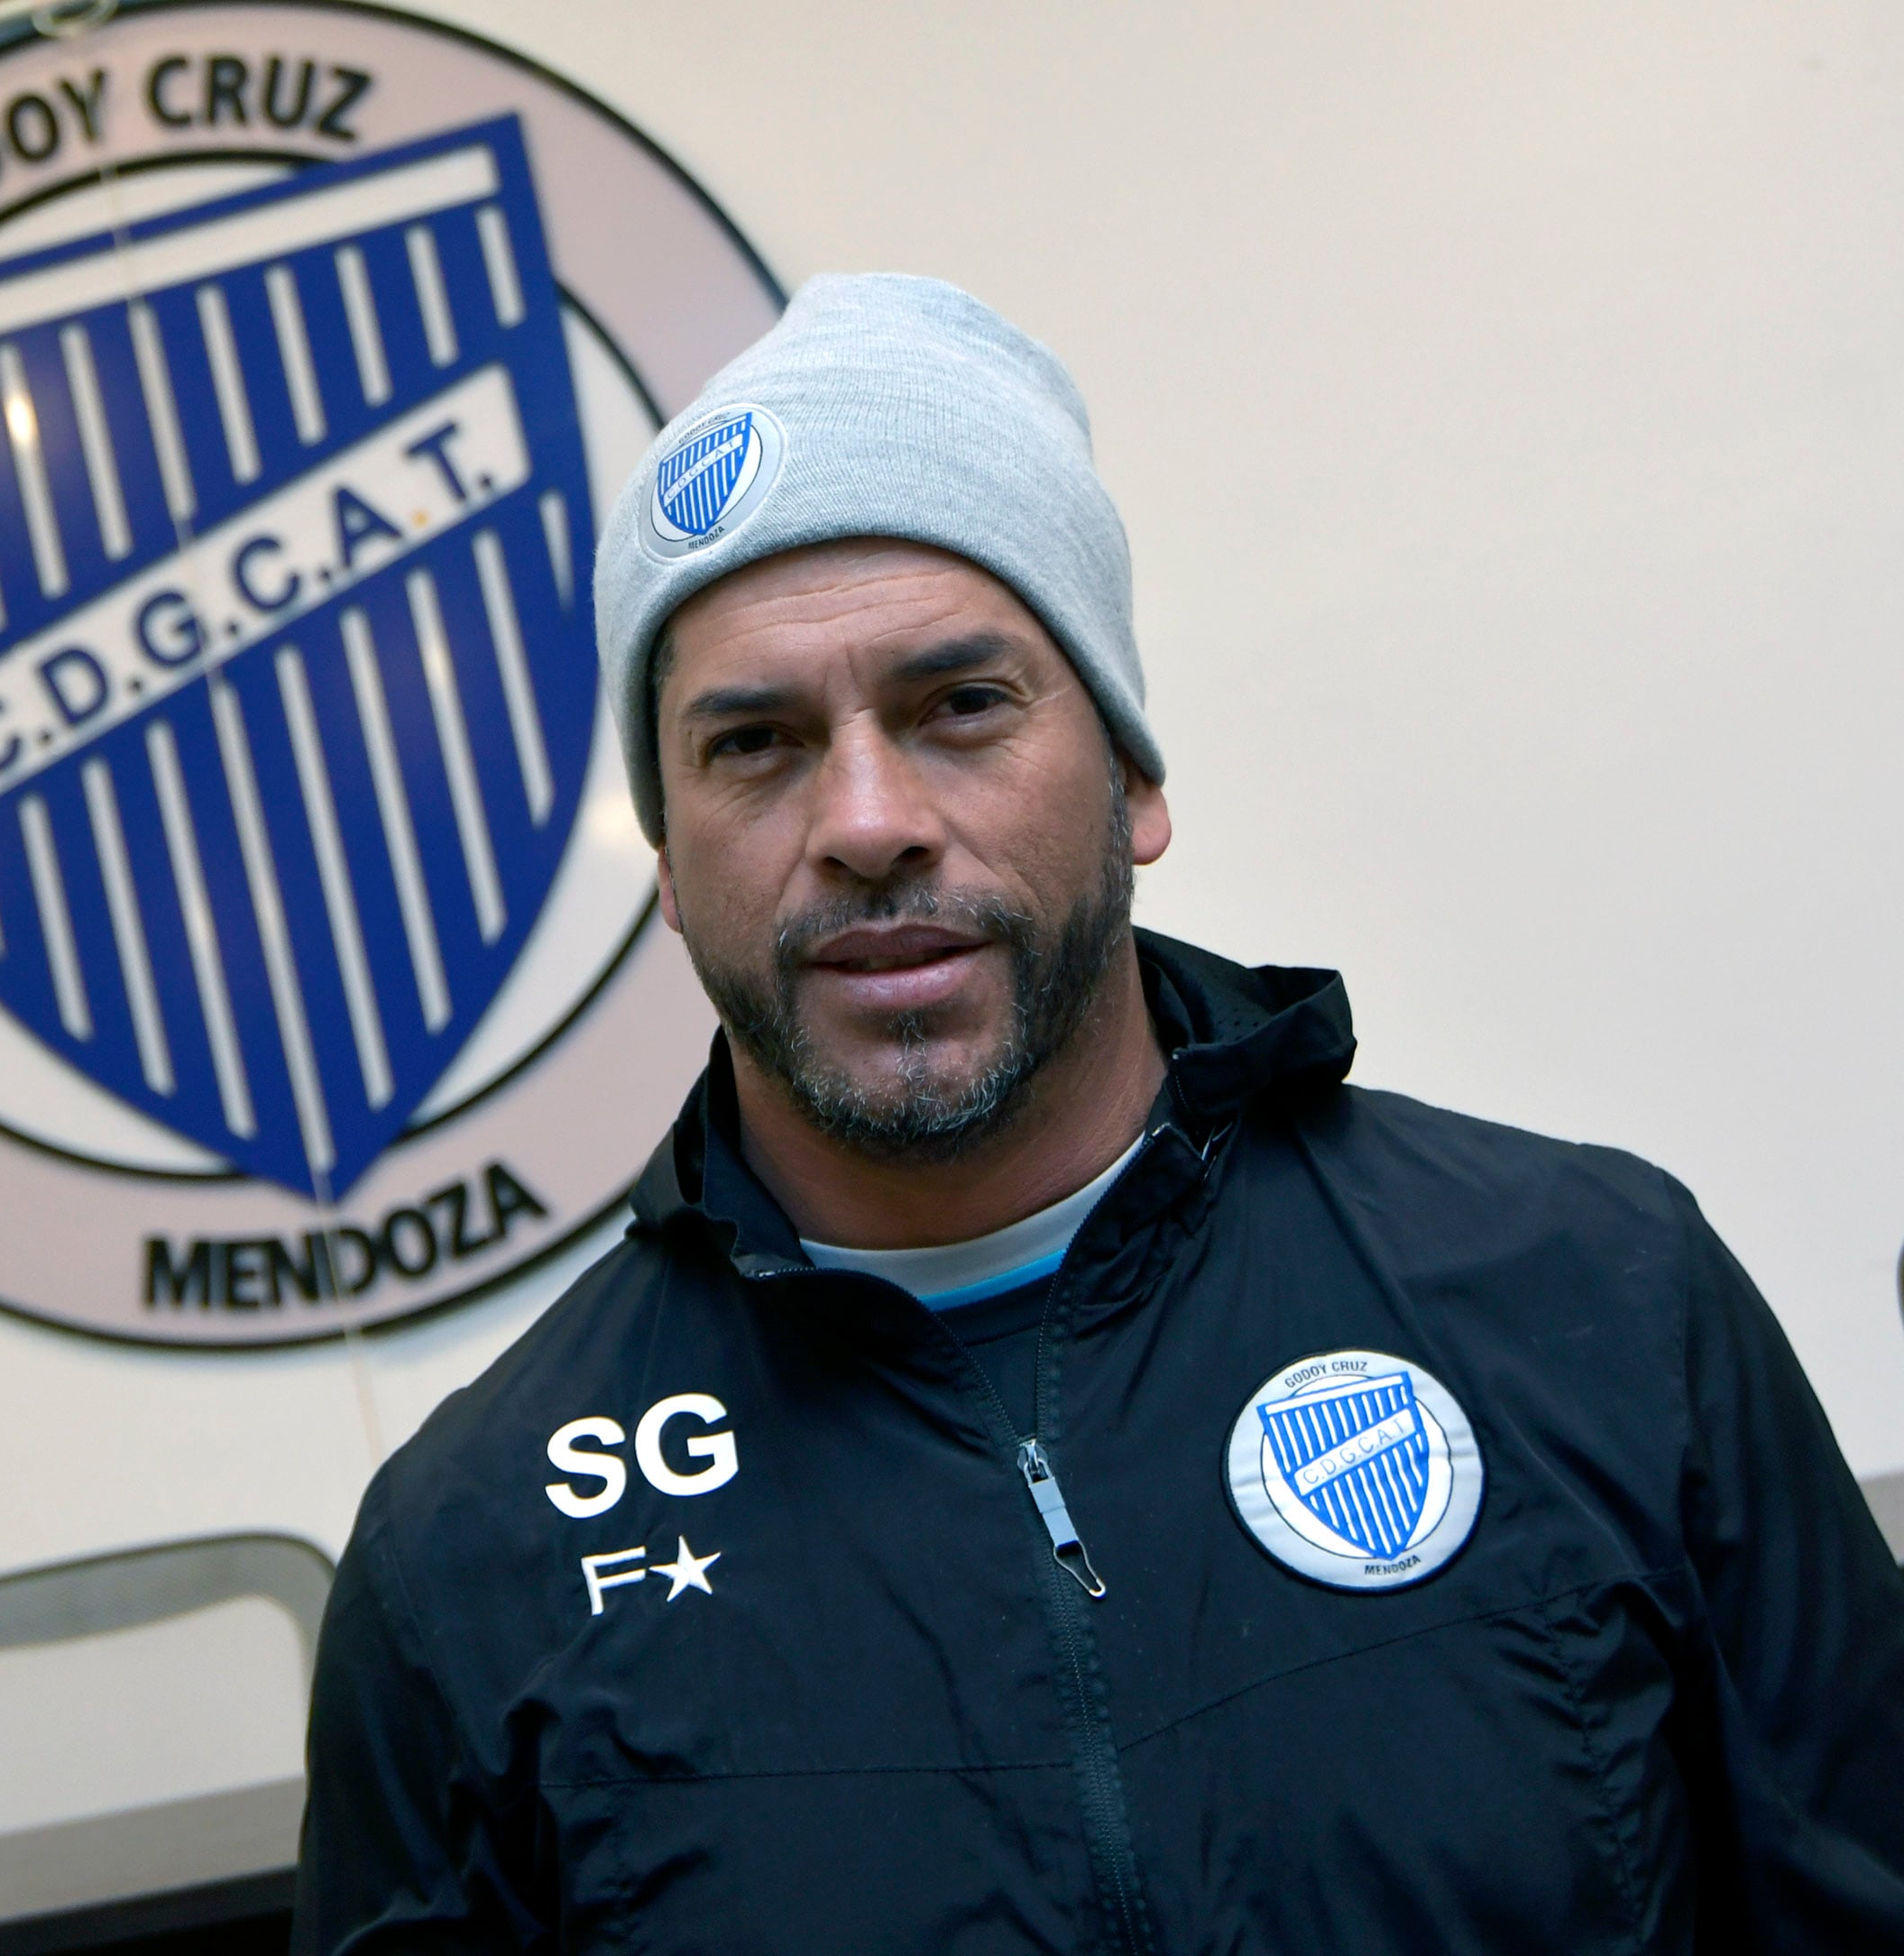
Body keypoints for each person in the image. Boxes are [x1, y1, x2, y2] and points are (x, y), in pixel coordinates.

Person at [291, 274, 1904, 1952]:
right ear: (674, 869)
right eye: (755, 743)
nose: (864, 819)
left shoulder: (1596, 1300)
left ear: (1132, 776)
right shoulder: (468, 1561)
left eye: (958, 704)